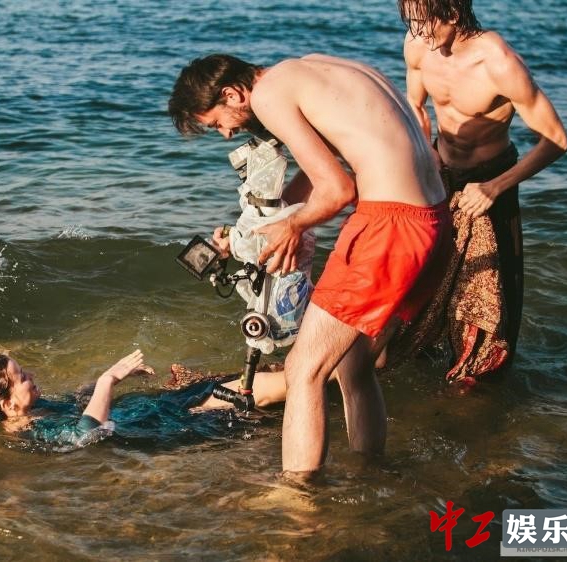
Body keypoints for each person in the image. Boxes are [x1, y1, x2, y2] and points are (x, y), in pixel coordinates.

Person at [169, 53, 450, 476]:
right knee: (353, 365)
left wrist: (294, 225)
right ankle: (369, 471)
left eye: (217, 123)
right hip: (434, 221)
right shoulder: (315, 69)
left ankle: (299, 496)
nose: (226, 133)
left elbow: (337, 189)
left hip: (389, 225)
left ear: (232, 93)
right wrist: (255, 231)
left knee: (303, 369)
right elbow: (325, 171)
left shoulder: (268, 95)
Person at [399, 0, 567, 378]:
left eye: (423, 21)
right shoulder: (417, 44)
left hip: (492, 179)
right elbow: (415, 104)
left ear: (452, 14)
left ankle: (479, 382)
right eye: (410, 21)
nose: (416, 31)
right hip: (442, 173)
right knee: (426, 276)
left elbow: (556, 140)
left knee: (493, 290)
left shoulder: (499, 63)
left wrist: (494, 187)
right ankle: (423, 359)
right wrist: (427, 150)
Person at [0, 349, 289, 449]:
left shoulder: (38, 408)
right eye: (22, 377)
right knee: (249, 390)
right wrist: (108, 380)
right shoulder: (29, 432)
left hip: (152, 409)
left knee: (228, 379)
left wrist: (112, 378)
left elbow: (78, 401)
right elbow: (85, 435)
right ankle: (308, 377)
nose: (31, 375)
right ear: (8, 405)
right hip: (165, 423)